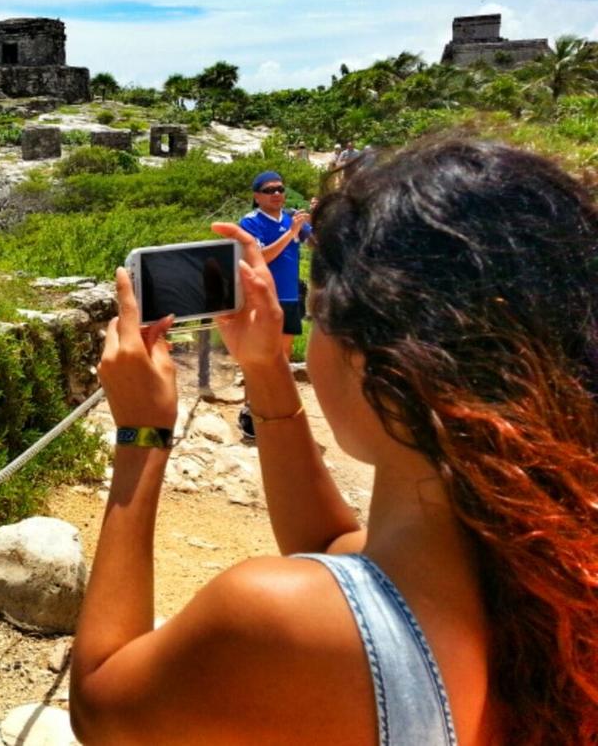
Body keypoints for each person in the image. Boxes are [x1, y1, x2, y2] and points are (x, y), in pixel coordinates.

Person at [69, 138, 598, 745]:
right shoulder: (549, 550)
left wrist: (142, 433)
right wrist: (265, 367)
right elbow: (330, 547)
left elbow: (100, 706)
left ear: (372, 356)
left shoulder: (272, 619)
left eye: (321, 316)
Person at [238, 171, 311, 439]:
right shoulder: (250, 222)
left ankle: (276, 409)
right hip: (261, 296)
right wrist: (291, 233)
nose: (277, 194)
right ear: (257, 196)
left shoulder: (292, 219)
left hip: (289, 296)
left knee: (282, 355)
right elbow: (260, 257)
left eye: (280, 189)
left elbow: (317, 244)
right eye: (269, 190)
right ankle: (250, 409)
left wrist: (318, 218)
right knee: (259, 355)